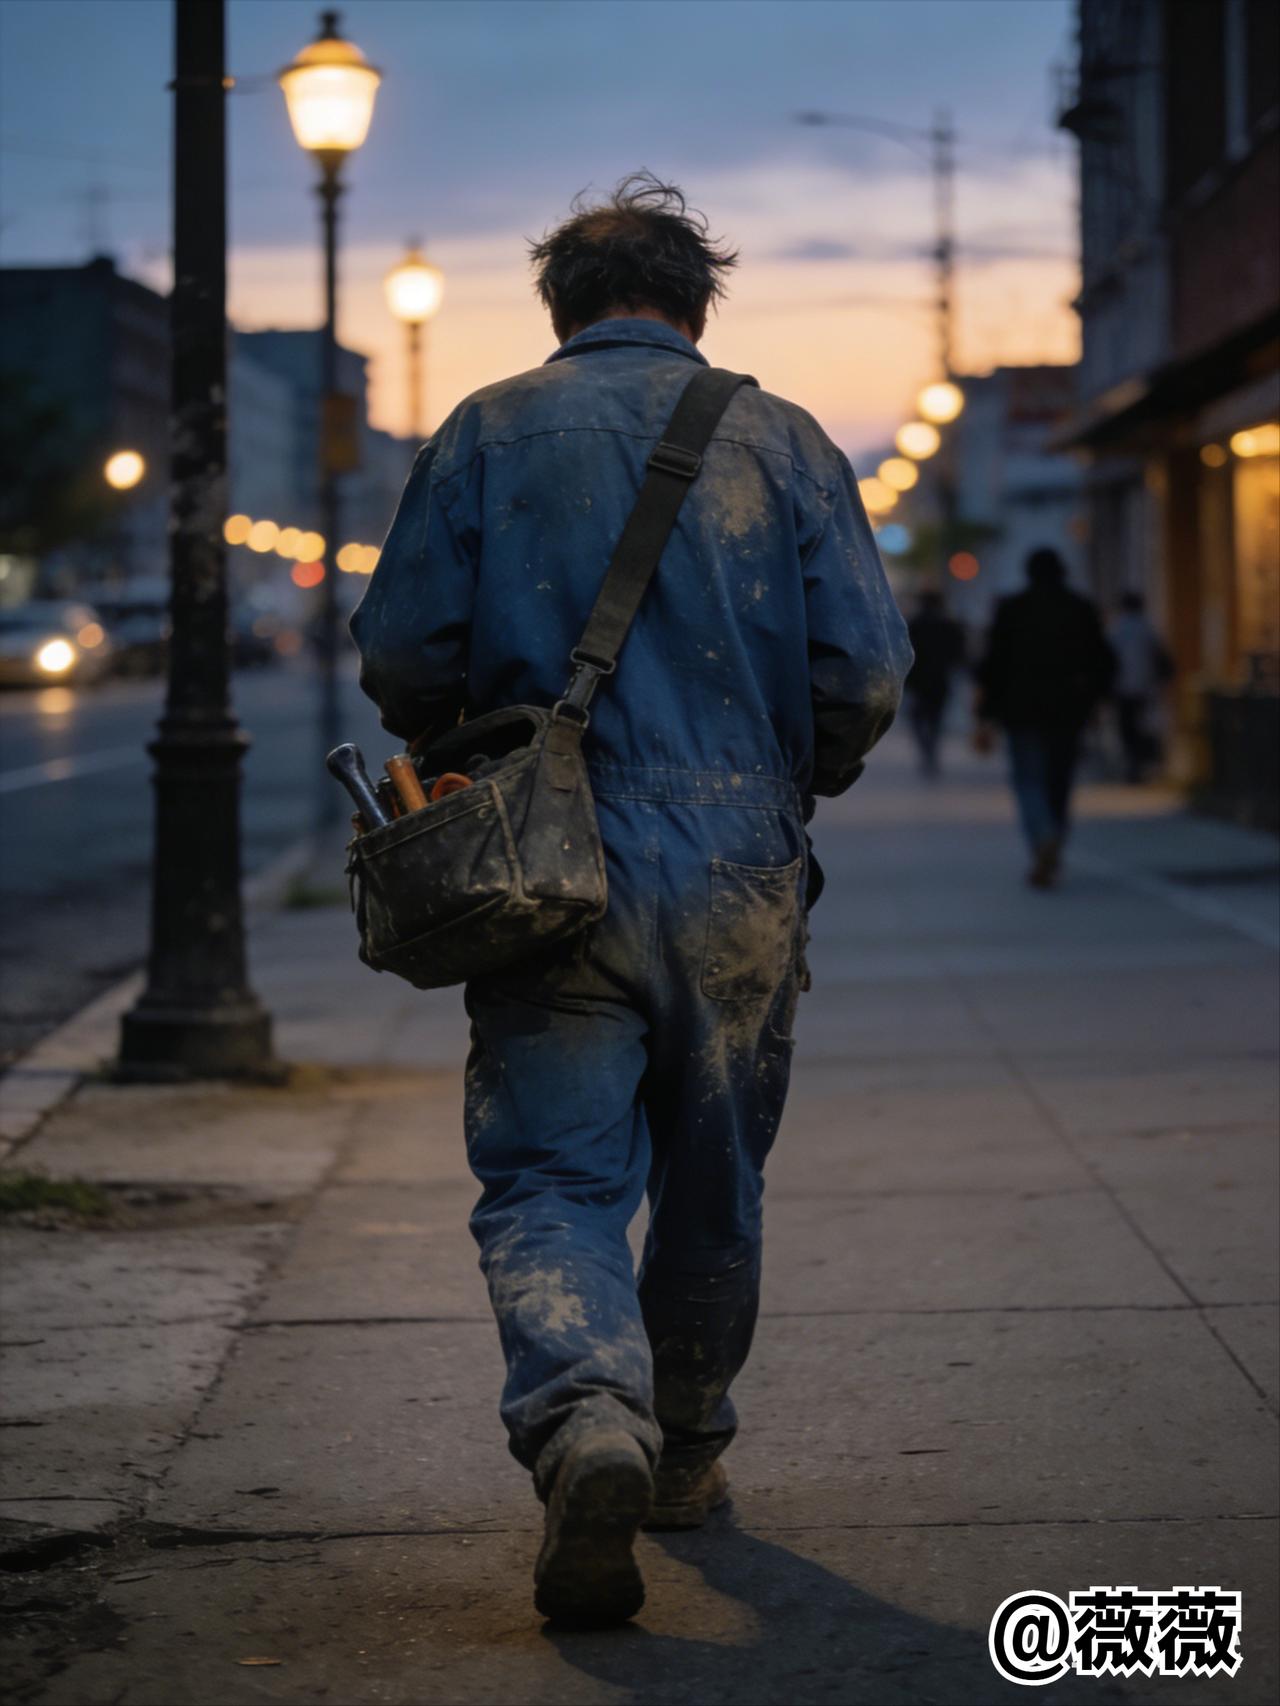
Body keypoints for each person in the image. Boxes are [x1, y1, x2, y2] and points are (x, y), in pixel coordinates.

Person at [351, 173, 911, 1626]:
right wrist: (796, 780)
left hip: (549, 862)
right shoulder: (783, 440)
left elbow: (406, 654)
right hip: (737, 859)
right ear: (694, 301)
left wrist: (468, 737)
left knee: (550, 1174)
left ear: (560, 311)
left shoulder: (481, 429)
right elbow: (863, 675)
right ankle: (684, 1450)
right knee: (714, 1174)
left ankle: (587, 1413)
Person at [973, 546, 1112, 888]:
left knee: (1028, 781)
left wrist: (985, 714)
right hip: (1069, 709)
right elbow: (1102, 661)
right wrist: (1095, 702)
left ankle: (1042, 837)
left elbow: (994, 664)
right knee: (1059, 783)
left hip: (1021, 711)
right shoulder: (1080, 609)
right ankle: (1054, 840)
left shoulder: (1012, 609)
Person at [1108, 590, 1173, 782]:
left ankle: (1131, 764)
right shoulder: (1149, 629)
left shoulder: (1116, 630)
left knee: (1126, 728)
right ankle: (1143, 764)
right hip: (1146, 687)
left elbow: (1107, 660)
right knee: (1144, 726)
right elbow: (1162, 658)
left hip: (1121, 688)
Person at [904, 588, 965, 775]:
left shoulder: (914, 624)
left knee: (917, 718)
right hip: (940, 681)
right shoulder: (949, 625)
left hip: (918, 681)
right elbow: (959, 654)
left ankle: (927, 749)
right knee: (936, 719)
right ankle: (932, 749)